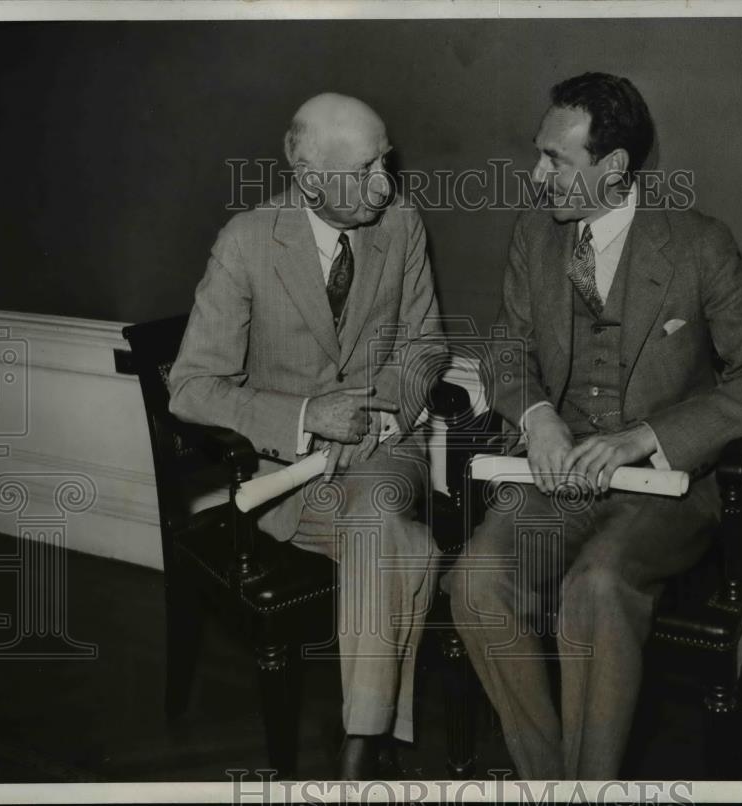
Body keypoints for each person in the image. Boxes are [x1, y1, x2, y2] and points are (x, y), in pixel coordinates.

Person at [444, 72, 742, 780]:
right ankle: (549, 783)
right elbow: (508, 351)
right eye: (539, 153)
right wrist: (540, 418)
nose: (536, 174)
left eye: (555, 160)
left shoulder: (699, 244)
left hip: (673, 487)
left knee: (599, 586)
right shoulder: (534, 237)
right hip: (558, 477)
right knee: (475, 581)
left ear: (611, 167)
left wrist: (647, 437)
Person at [168, 93, 446, 779]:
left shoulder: (401, 224)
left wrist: (378, 412)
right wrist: (306, 417)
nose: (384, 184)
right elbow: (192, 387)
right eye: (363, 170)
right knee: (408, 545)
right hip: (291, 480)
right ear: (310, 177)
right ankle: (373, 739)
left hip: (387, 451)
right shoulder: (246, 242)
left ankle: (358, 746)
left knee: (377, 507)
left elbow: (424, 346)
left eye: (385, 162)